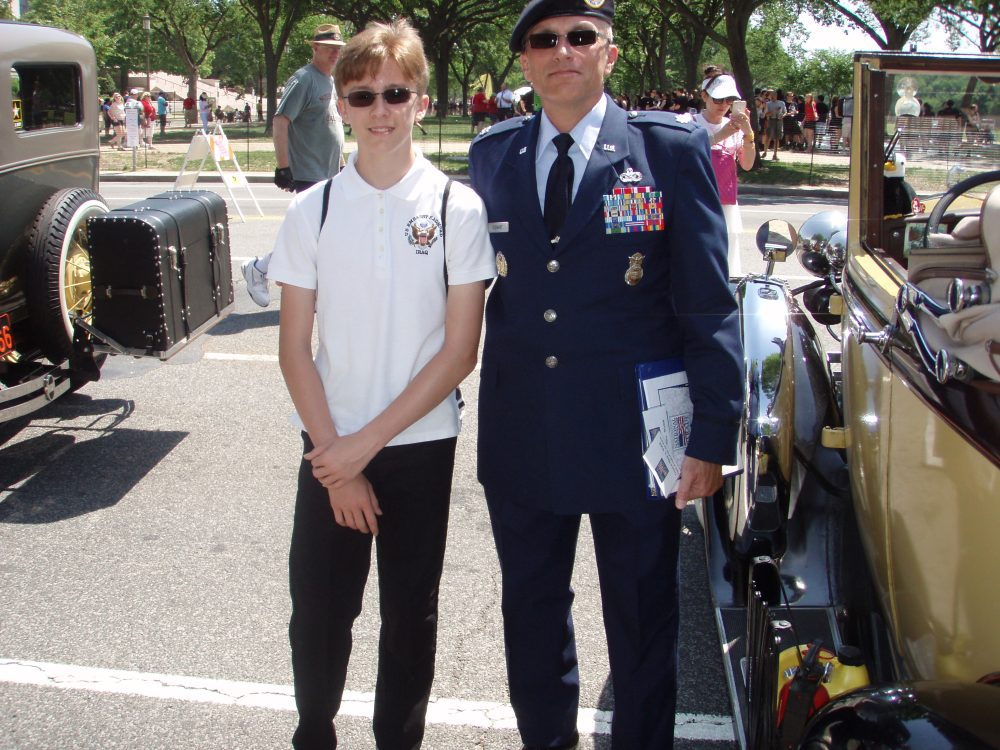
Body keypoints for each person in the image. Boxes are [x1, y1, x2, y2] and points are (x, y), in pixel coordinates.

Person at [467, 0, 743, 747]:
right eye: (544, 40)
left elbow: (710, 305)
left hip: (636, 435)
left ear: (609, 55)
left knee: (644, 618)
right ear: (524, 61)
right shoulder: (491, 156)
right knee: (531, 615)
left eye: (581, 36)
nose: (564, 50)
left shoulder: (669, 150)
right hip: (525, 429)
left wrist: (713, 436)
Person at [267, 18, 496, 749]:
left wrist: (367, 446)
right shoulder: (313, 209)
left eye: (396, 93)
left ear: (421, 101)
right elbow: (294, 350)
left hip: (419, 445)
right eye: (362, 96)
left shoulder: (457, 208)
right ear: (341, 106)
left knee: (408, 617)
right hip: (329, 447)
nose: (380, 110)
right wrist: (338, 462)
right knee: (322, 612)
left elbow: (460, 352)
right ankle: (314, 733)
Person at [242, 23, 348, 307]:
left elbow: (331, 127)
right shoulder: (304, 79)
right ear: (315, 48)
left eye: (338, 49)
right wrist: (283, 166)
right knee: (311, 237)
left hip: (329, 172)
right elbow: (281, 120)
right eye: (329, 48)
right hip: (307, 172)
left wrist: (341, 165)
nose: (334, 54)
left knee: (318, 237)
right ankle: (260, 268)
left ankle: (271, 272)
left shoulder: (331, 81)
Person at [694, 66, 755, 277]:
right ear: (704, 96)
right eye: (717, 99)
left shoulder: (734, 126)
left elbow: (747, 164)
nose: (723, 105)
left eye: (728, 100)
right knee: (698, 254)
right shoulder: (690, 123)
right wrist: (723, 134)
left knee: (728, 257)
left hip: (726, 202)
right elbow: (692, 152)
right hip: (696, 199)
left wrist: (748, 135)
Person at [764, 88, 785, 160]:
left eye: (774, 95)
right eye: (772, 95)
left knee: (777, 138)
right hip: (771, 121)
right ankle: (765, 152)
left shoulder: (782, 103)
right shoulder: (768, 104)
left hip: (779, 121)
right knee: (768, 137)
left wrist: (783, 115)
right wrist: (774, 111)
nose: (773, 97)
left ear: (776, 96)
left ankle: (775, 154)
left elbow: (785, 112)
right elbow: (766, 114)